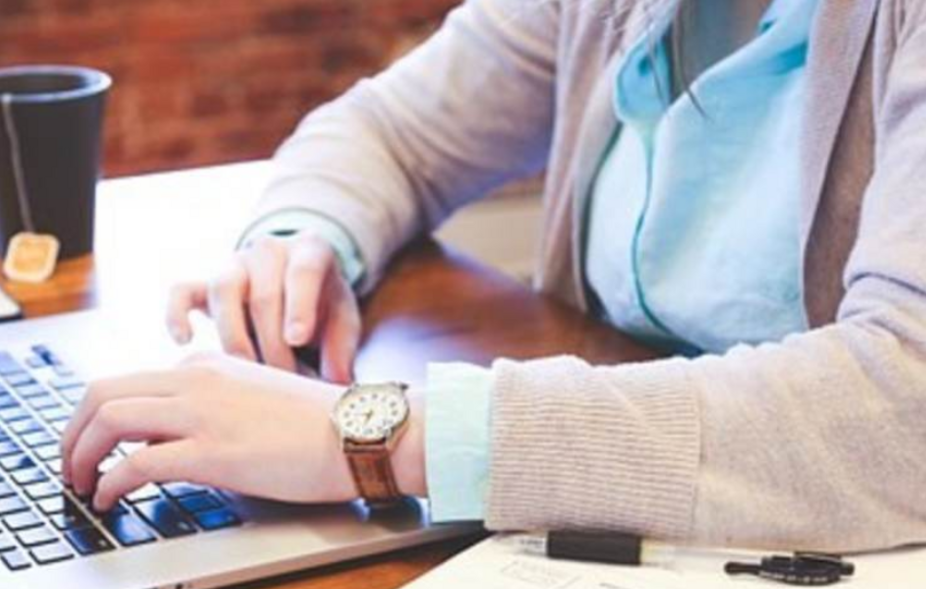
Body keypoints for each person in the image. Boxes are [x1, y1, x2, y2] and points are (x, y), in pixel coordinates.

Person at [61, 0, 926, 552]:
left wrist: (374, 439)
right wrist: (300, 239)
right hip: (631, 543)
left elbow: (902, 407)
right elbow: (392, 129)